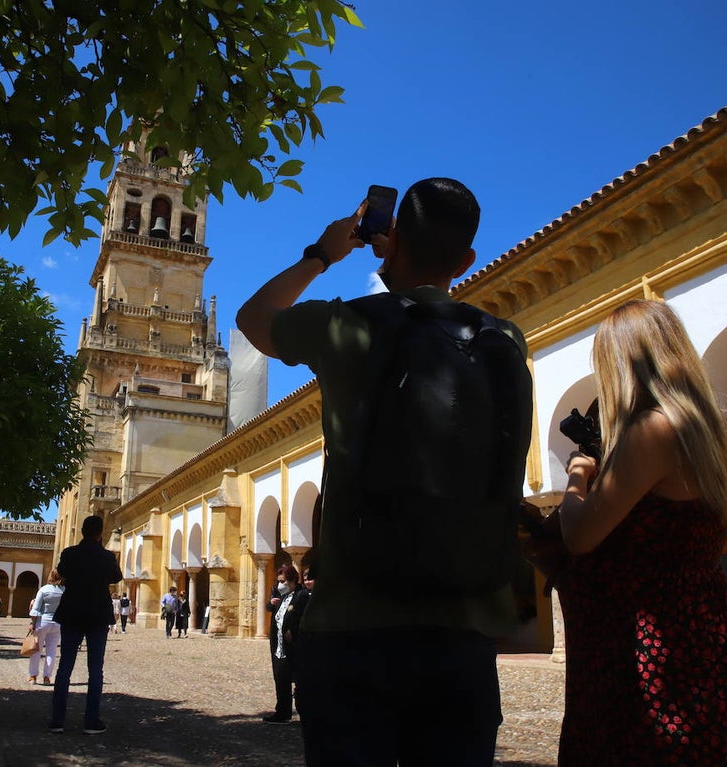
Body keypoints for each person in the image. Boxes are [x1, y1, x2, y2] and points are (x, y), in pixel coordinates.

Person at [237, 178, 529, 766]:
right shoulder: (504, 339)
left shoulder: (348, 326)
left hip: (353, 629)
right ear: (467, 259)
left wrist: (322, 254)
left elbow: (254, 318)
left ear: (387, 241)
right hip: (463, 636)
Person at [553, 299, 727, 765]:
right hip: (709, 629)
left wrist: (577, 476)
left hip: (646, 647)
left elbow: (580, 536)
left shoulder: (650, 430)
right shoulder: (706, 431)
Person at [49, 514, 123, 735]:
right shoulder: (106, 556)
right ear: (100, 533)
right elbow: (116, 577)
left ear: (82, 531)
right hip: (98, 615)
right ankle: (91, 721)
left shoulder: (69, 554)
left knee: (65, 668)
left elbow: (61, 572)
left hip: (72, 613)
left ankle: (57, 720)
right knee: (95, 670)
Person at [263, 564, 309, 724]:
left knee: (299, 680)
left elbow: (304, 617)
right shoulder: (282, 596)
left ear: (292, 580)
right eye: (278, 581)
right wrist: (271, 603)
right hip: (279, 646)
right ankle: (282, 712)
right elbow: (271, 609)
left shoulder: (301, 595)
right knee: (281, 680)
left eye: (282, 581)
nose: (279, 585)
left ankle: (306, 712)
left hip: (294, 646)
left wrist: (293, 630)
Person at [28, 569, 65, 685]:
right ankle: (47, 677)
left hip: (42, 622)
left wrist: (32, 623)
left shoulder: (44, 590)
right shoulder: (64, 591)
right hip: (58, 623)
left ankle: (33, 676)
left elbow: (36, 608)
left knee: (36, 650)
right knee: (51, 651)